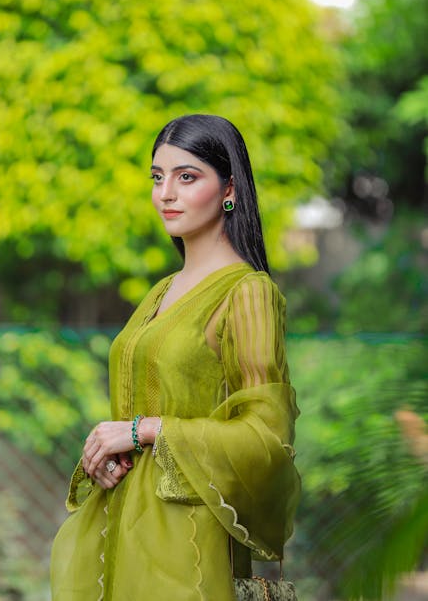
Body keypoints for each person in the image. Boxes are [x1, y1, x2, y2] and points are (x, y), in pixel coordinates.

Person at [51, 114, 300, 601]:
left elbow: (268, 437)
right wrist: (107, 452)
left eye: (187, 177)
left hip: (188, 542)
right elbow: (136, 413)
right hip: (122, 527)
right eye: (157, 177)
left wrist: (145, 429)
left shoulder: (248, 293)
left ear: (229, 189)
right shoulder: (161, 291)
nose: (166, 193)